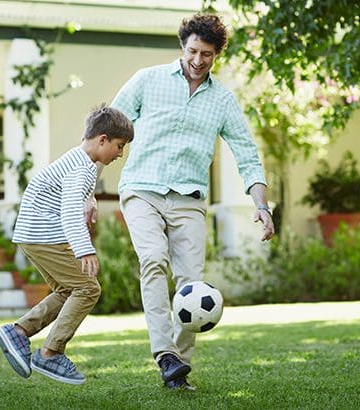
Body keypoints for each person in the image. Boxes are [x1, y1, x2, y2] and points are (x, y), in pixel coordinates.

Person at [109, 13, 275, 390]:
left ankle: (178, 369)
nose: (199, 61)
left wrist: (262, 207)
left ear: (218, 54)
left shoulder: (222, 100)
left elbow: (247, 155)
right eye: (193, 51)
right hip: (142, 190)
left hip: (188, 200)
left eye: (208, 54)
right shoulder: (147, 80)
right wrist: (86, 189)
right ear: (182, 46)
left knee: (191, 284)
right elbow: (108, 129)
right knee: (153, 260)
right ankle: (164, 353)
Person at [0, 104, 134, 385]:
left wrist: (90, 199)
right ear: (102, 139)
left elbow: (75, 192)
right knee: (88, 288)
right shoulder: (82, 169)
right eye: (119, 146)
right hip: (44, 234)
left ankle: (19, 332)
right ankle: (50, 352)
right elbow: (70, 210)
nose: (120, 154)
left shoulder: (81, 161)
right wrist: (85, 249)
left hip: (33, 234)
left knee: (69, 289)